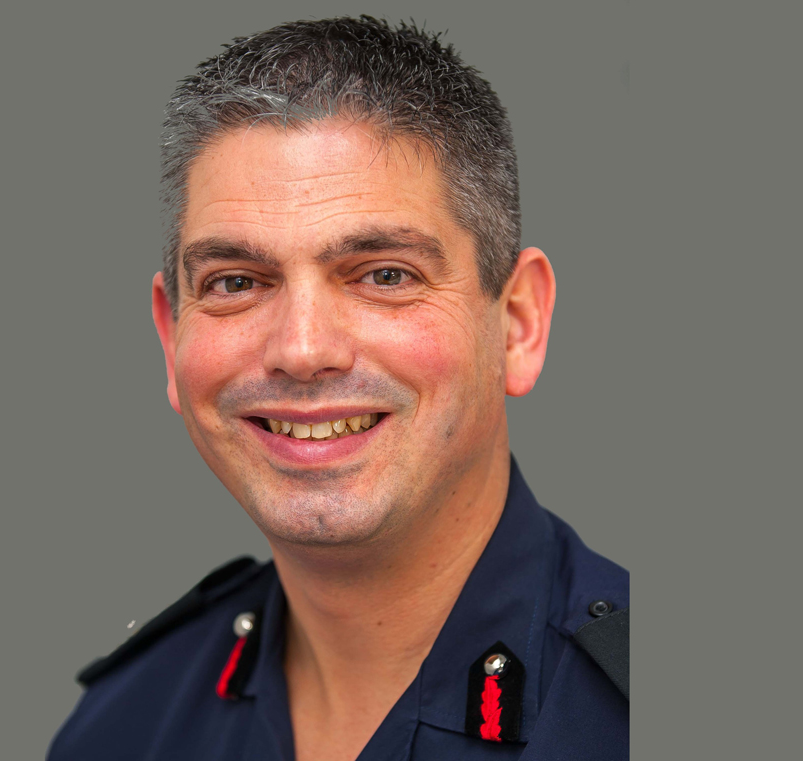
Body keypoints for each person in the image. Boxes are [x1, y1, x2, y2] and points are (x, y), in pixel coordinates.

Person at [48, 16, 629, 761]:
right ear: (171, 337)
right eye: (236, 282)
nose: (301, 349)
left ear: (517, 324)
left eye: (384, 274)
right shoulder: (125, 727)